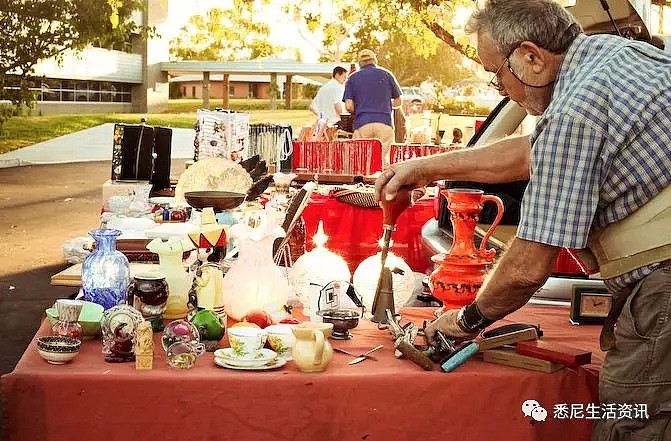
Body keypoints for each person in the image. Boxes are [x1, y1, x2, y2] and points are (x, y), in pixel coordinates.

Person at [374, 1, 671, 439]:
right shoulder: (615, 56)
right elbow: (539, 149)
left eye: (498, 75)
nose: (501, 89)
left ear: (531, 56)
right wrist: (426, 167)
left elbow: (530, 264)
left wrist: (465, 321)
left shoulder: (576, 111)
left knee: (632, 425)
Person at [343, 49, 402, 168]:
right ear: (375, 60)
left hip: (362, 123)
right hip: (384, 123)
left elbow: (349, 106)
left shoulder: (352, 78)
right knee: (383, 163)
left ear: (360, 63)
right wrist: (386, 106)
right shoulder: (387, 74)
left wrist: (359, 110)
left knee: (361, 162)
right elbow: (398, 101)